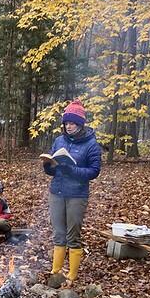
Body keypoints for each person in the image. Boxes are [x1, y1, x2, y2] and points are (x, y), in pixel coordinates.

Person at [42, 99, 101, 283]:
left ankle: (72, 275)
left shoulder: (91, 144)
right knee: (58, 234)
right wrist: (48, 167)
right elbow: (53, 165)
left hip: (77, 194)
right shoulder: (59, 140)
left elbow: (94, 171)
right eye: (66, 123)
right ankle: (56, 272)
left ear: (80, 124)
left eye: (72, 123)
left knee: (72, 236)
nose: (68, 126)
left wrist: (72, 170)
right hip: (57, 192)